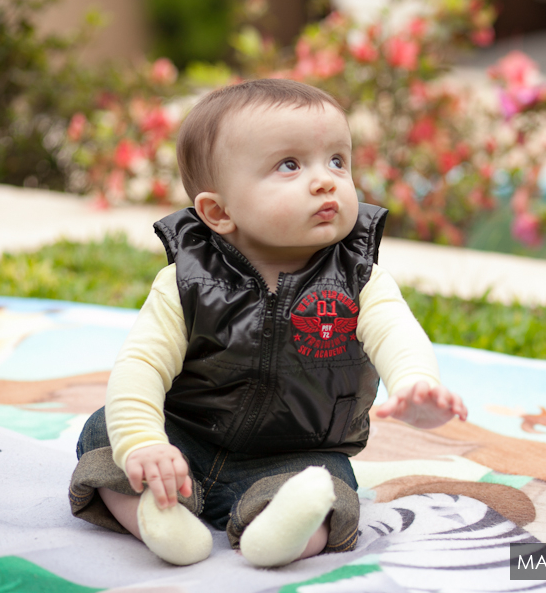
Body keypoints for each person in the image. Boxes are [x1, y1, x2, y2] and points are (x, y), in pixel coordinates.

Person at [68, 79, 467, 568]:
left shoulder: (359, 278)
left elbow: (397, 333)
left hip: (295, 454)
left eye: (337, 161)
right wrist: (146, 443)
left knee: (328, 486)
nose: (326, 181)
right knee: (106, 435)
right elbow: (141, 365)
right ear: (218, 212)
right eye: (290, 165)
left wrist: (416, 384)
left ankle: (281, 534)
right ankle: (158, 518)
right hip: (183, 441)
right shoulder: (186, 283)